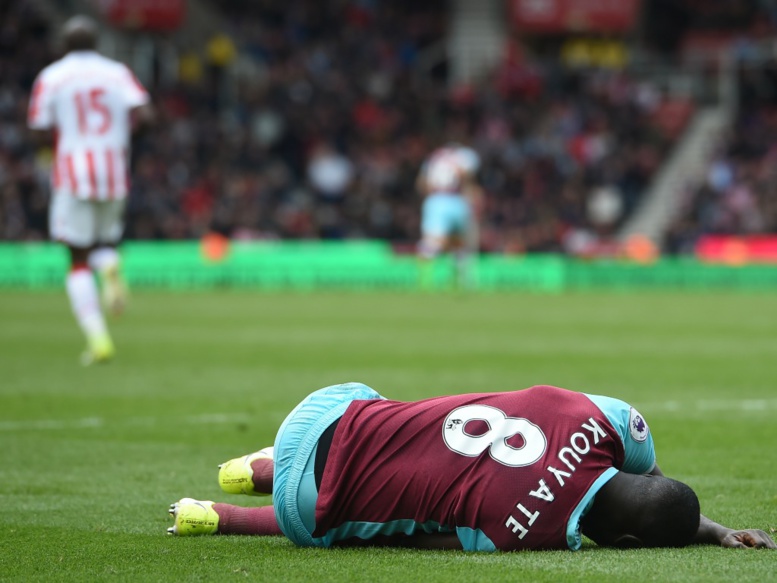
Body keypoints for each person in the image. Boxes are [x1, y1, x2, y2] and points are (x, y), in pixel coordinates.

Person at [167, 382, 776, 551]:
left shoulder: (610, 417)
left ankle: (260, 466)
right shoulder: (522, 529)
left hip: (326, 409)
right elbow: (411, 536)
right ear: (618, 541)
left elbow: (650, 485)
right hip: (306, 502)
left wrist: (712, 527)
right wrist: (719, 533)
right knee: (374, 525)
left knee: (404, 427)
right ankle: (225, 516)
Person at [27, 15, 155, 365]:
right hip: (114, 170)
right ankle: (111, 266)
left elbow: (38, 129)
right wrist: (121, 140)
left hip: (73, 173)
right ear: (97, 42)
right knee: (105, 243)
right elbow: (145, 117)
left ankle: (98, 340)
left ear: (64, 45)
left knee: (77, 258)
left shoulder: (52, 76)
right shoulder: (117, 72)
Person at [416, 144, 482, 290]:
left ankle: (425, 279)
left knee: (436, 240)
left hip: (436, 198)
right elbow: (467, 178)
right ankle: (462, 280)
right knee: (457, 241)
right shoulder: (465, 156)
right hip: (456, 199)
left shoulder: (433, 157)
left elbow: (422, 182)